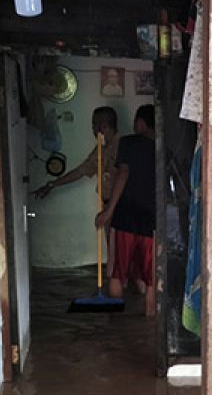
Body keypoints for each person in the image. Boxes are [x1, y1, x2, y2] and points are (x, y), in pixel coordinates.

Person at [96, 104, 156, 315]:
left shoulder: (129, 143)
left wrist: (109, 210)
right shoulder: (162, 148)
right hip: (152, 220)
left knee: (117, 274)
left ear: (140, 123)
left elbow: (123, 173)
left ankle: (115, 328)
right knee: (151, 279)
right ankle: (150, 325)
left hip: (125, 218)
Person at [32, 107, 119, 202]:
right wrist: (51, 185)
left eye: (94, 125)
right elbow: (81, 171)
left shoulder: (124, 146)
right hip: (107, 204)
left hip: (120, 204)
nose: (93, 130)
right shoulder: (101, 149)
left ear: (104, 126)